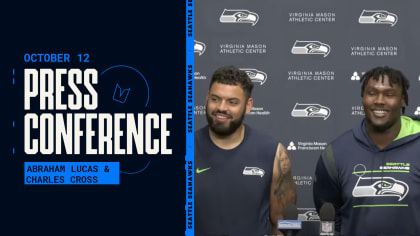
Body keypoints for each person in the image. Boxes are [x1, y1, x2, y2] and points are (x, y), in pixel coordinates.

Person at [313, 66, 420, 235]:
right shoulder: (336, 153)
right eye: (372, 93)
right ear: (363, 98)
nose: (379, 100)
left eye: (389, 94)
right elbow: (331, 217)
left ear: (403, 100)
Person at [195, 66, 296, 236]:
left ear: (248, 106)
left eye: (232, 102)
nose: (221, 107)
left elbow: (285, 224)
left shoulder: (273, 153)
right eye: (215, 99)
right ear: (206, 98)